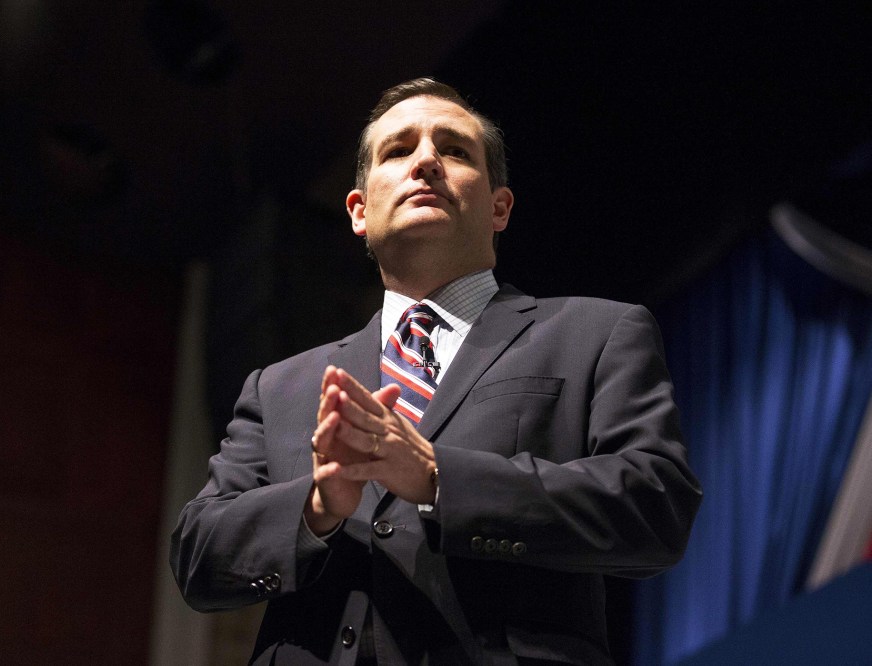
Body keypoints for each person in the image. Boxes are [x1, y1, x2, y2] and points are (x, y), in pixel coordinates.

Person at [170, 78, 702, 665]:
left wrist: (437, 476)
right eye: (398, 151)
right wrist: (318, 505)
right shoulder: (278, 387)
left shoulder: (596, 334)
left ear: (499, 208)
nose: (425, 160)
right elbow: (198, 557)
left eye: (453, 150)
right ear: (358, 211)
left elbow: (656, 508)